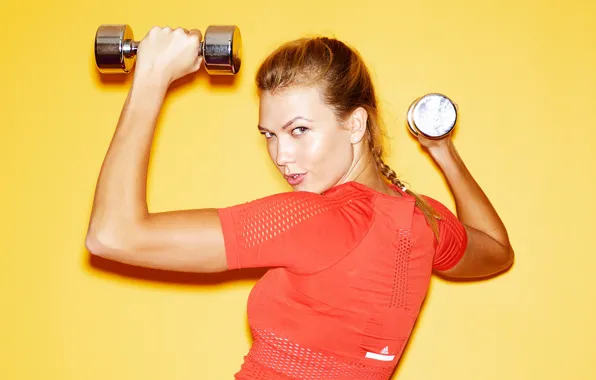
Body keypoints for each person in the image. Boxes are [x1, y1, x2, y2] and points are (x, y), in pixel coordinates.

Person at [85, 26, 514, 379]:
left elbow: (112, 235)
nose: (281, 156)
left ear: (355, 123)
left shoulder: (311, 218)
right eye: (269, 135)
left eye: (299, 130)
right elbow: (496, 251)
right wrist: (442, 149)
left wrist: (151, 78)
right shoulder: (425, 219)